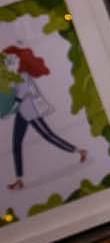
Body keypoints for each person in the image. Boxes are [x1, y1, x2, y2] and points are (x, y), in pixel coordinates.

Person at [4, 45, 86, 191]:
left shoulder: (23, 76)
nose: (8, 63)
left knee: (48, 136)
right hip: (22, 114)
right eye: (7, 60)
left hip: (31, 112)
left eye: (11, 60)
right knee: (16, 144)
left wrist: (8, 111)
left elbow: (19, 97)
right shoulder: (13, 77)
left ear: (19, 61)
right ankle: (19, 179)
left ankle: (79, 151)